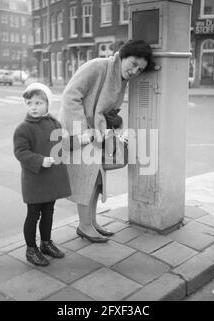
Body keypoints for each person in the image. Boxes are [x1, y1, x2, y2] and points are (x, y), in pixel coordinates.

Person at [59, 39, 155, 243]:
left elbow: (104, 108)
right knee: (87, 181)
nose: (135, 71)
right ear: (123, 55)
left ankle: (90, 223)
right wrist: (83, 132)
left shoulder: (121, 79)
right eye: (134, 63)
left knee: (96, 181)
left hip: (97, 135)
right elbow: (70, 95)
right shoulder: (98, 66)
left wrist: (114, 120)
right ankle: (85, 226)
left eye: (140, 69)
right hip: (82, 135)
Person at [13, 82, 71, 266]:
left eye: (38, 103)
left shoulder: (53, 122)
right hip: (35, 180)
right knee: (33, 215)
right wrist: (39, 160)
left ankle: (46, 243)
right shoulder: (23, 128)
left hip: (51, 179)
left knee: (49, 213)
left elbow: (62, 143)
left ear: (48, 103)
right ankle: (31, 249)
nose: (33, 107)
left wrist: (82, 139)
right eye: (29, 103)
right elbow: (20, 152)